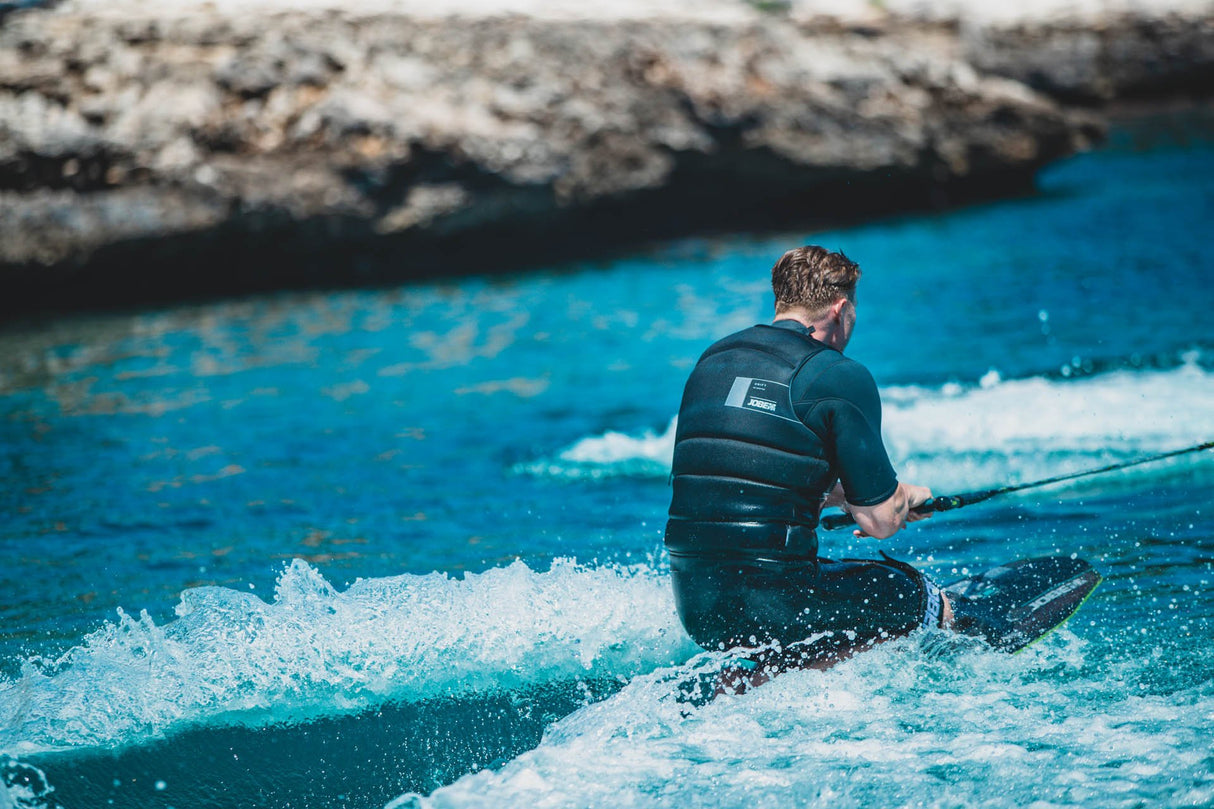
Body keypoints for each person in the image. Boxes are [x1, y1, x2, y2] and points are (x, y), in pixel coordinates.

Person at [665, 245, 951, 685]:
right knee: (914, 596)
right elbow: (879, 521)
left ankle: (747, 673)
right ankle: (761, 682)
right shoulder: (837, 374)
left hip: (697, 604)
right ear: (839, 310)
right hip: (773, 603)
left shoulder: (713, 359)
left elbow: (739, 480)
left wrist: (840, 497)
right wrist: (904, 498)